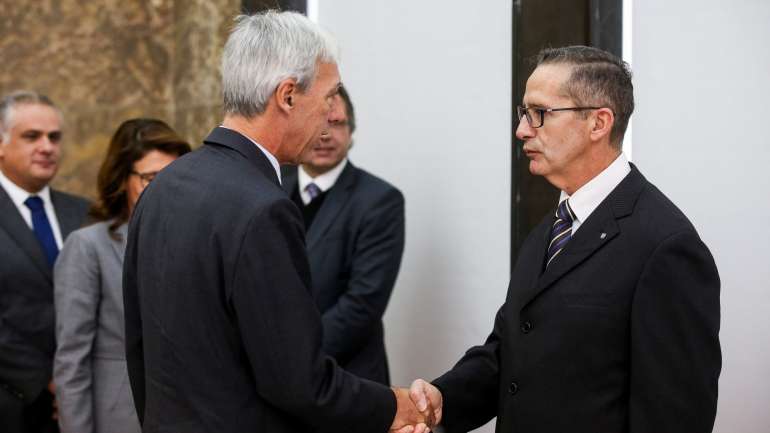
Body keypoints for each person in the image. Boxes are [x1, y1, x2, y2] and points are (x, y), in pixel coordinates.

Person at [122, 11, 431, 433]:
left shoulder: (165, 184)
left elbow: (140, 347)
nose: (329, 117)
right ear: (287, 96)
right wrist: (395, 407)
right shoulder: (263, 206)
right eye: (328, 97)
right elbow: (297, 382)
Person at [409, 45, 721, 433]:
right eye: (523, 113)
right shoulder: (551, 228)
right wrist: (443, 399)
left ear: (598, 123)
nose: (522, 129)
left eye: (539, 114)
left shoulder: (666, 246)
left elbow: (675, 416)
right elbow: (511, 351)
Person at [53, 118, 191, 433]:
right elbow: (71, 362)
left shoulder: (196, 243)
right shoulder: (88, 247)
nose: (164, 189)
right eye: (151, 178)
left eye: (175, 177)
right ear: (121, 180)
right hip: (120, 419)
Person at [282, 85, 405, 385]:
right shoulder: (268, 185)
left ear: (351, 132)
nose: (326, 135)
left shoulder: (379, 200)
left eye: (336, 123)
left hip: (347, 378)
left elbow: (362, 304)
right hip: (274, 381)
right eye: (318, 124)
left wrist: (293, 355)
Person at [0, 91, 90, 433]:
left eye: (54, 137)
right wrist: (45, 380)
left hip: (80, 403)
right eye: (31, 136)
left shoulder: (84, 212)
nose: (47, 146)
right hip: (13, 403)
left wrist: (75, 381)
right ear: (1, 144)